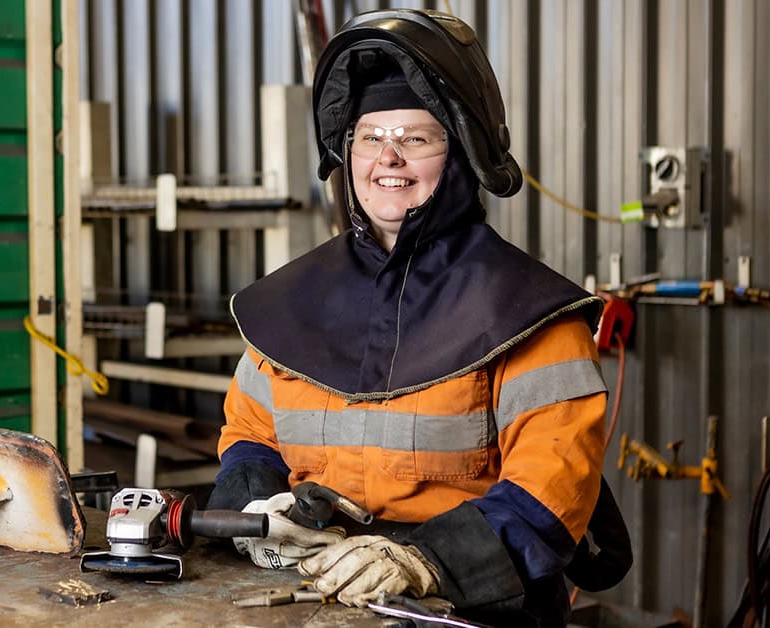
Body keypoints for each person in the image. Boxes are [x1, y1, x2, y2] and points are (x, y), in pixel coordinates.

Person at [206, 9, 631, 627]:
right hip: (316, 598)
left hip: (474, 607)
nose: (389, 158)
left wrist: (422, 561)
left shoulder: (531, 314)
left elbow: (549, 488)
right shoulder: (288, 304)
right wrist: (259, 510)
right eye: (371, 136)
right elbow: (249, 432)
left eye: (416, 138)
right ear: (346, 151)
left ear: (459, 154)